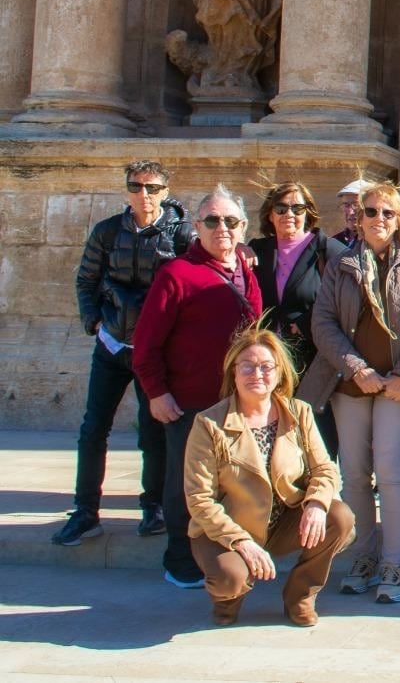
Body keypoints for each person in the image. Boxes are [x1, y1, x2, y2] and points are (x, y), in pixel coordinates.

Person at [301, 182, 400, 604]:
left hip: (398, 386)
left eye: (387, 213)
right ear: (358, 219)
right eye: (371, 212)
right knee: (355, 472)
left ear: (399, 220)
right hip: (350, 386)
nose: (379, 219)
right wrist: (356, 368)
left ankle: (395, 564)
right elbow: (322, 323)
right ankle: (364, 555)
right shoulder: (340, 265)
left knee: (390, 468)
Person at [56, 161, 192, 547]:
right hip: (112, 343)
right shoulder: (108, 231)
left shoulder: (181, 234)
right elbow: (87, 278)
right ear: (127, 190)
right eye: (136, 186)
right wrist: (92, 320)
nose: (143, 195)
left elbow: (193, 280)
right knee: (93, 428)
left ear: (165, 191)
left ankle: (153, 506)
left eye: (152, 187)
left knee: (153, 430)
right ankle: (85, 510)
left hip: (153, 350)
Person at [133, 185, 263, 589]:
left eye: (229, 221)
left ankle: (227, 553)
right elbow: (147, 342)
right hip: (190, 402)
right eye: (211, 220)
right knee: (186, 484)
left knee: (229, 483)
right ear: (197, 227)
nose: (221, 228)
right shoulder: (176, 274)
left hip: (237, 402)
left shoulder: (245, 272)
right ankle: (180, 559)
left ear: (243, 228)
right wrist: (157, 392)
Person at [183, 328, 353, 627]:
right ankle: (228, 601)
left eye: (265, 366)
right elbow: (200, 500)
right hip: (230, 527)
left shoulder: (298, 412)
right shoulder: (208, 424)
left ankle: (300, 595)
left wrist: (315, 503)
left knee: (339, 517)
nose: (256, 374)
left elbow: (325, 469)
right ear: (233, 373)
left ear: (279, 372)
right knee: (228, 579)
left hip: (284, 521)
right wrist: (241, 543)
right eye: (247, 366)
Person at [248, 182, 348, 459]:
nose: (288, 214)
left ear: (309, 213)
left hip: (312, 354)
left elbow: (347, 300)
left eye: (297, 207)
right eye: (281, 207)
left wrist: (304, 323)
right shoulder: (258, 249)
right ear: (270, 213)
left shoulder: (328, 249)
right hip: (269, 356)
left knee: (316, 430)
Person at [333, 178, 368, 250]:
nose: (350, 211)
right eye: (346, 205)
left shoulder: (379, 243)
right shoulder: (334, 243)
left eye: (356, 205)